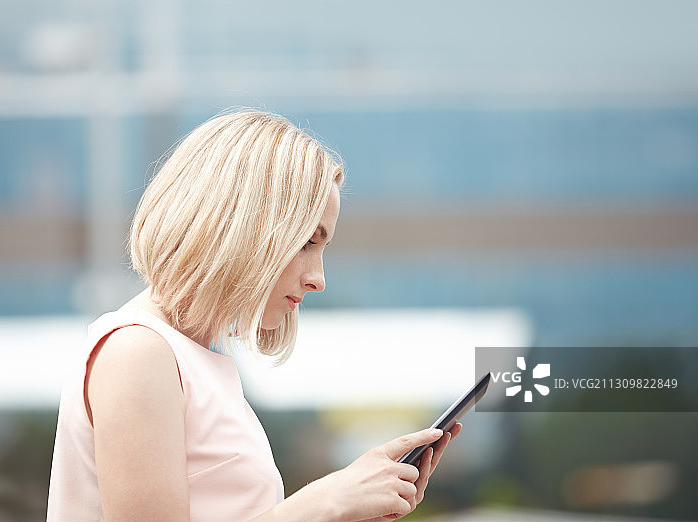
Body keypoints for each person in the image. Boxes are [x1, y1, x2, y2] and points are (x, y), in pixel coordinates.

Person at [47, 109, 462, 521]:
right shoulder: (137, 353)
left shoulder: (187, 359)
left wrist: (346, 509)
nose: (318, 279)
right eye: (305, 242)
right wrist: (324, 502)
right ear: (241, 225)